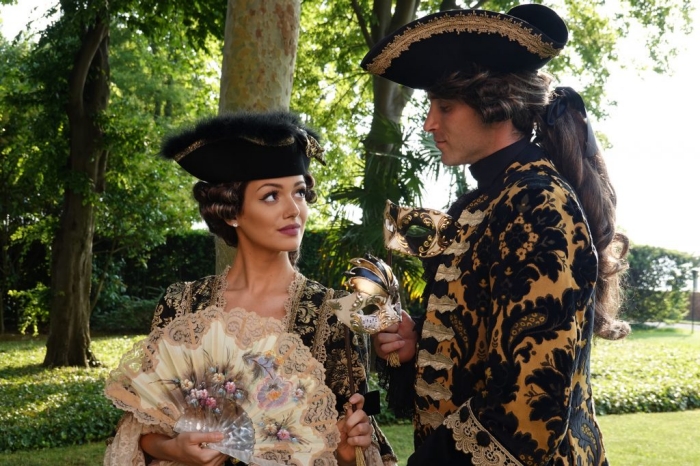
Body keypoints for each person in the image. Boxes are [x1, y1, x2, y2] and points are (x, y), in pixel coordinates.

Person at [361, 4, 629, 466]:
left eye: (445, 107)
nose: (430, 123)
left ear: (494, 105)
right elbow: (489, 338)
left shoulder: (538, 204)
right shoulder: (490, 201)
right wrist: (421, 340)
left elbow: (527, 413)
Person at [103, 111, 397, 466]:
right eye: (271, 196)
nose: (294, 210)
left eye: (300, 192)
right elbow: (145, 425)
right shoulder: (182, 304)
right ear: (231, 212)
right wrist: (173, 449)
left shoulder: (334, 313)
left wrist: (348, 451)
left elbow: (349, 438)